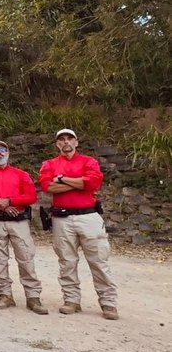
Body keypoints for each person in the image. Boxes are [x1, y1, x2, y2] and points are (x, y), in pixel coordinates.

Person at [38, 129, 118, 320]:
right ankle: (71, 300)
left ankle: (108, 302)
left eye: (69, 138)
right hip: (62, 218)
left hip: (88, 216)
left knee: (98, 261)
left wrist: (63, 180)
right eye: (61, 140)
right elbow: (47, 186)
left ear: (76, 141)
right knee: (67, 261)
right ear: (57, 144)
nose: (65, 142)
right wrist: (78, 183)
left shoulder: (89, 161)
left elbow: (93, 183)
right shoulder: (50, 164)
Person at [0, 141, 48, 315]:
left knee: (26, 256)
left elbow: (31, 196)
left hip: (18, 221)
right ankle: (5, 294)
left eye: (2, 150)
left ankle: (33, 296)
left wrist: (10, 201)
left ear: (8, 152)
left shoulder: (21, 174)